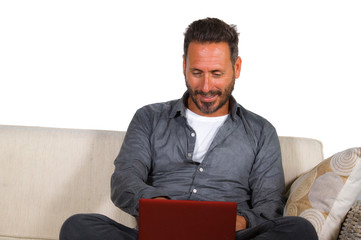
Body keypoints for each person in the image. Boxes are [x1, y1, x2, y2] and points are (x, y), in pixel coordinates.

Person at [60, 17, 318, 240]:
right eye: (197, 72)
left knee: (299, 230)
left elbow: (269, 207)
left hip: (229, 236)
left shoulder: (261, 131)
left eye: (216, 73)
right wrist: (163, 208)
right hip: (157, 235)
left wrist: (238, 222)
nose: (206, 87)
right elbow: (124, 181)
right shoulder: (149, 118)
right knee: (78, 226)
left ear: (236, 68)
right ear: (183, 65)